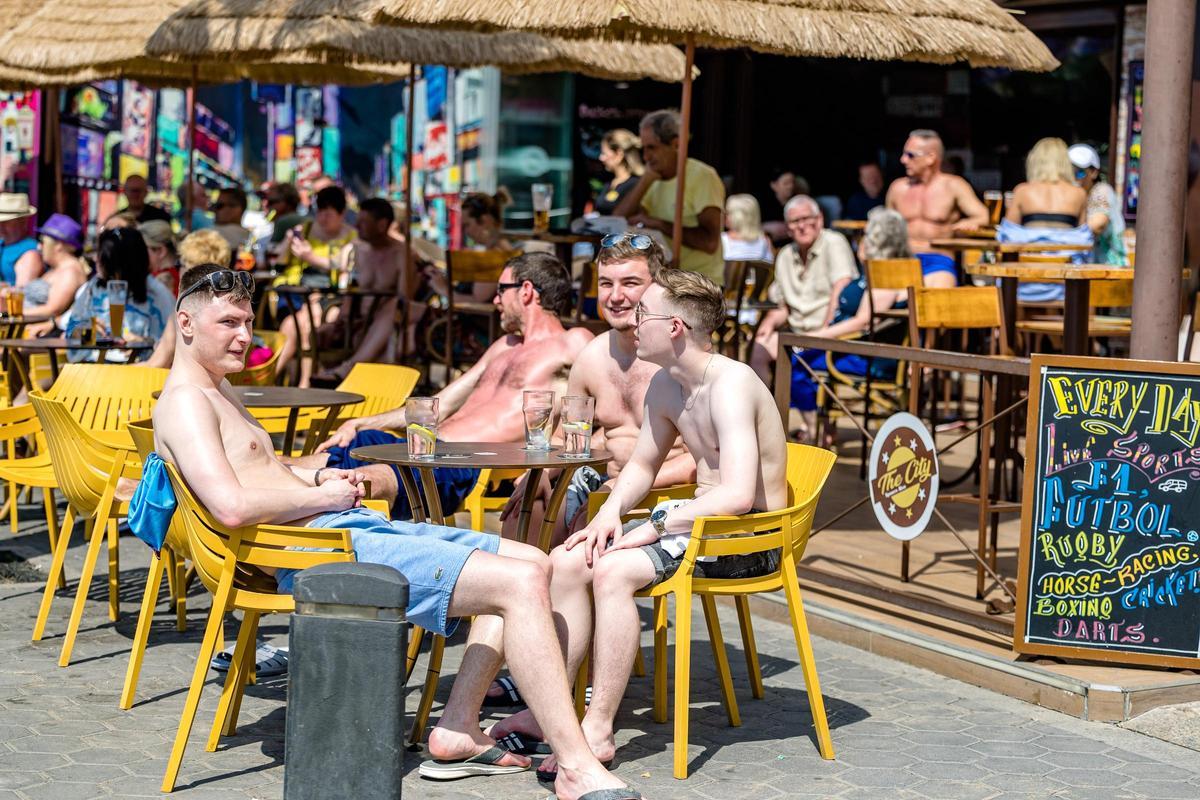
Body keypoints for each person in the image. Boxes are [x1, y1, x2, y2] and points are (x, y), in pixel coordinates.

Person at [151, 264, 635, 800]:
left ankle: (457, 727)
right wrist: (321, 496)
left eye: (247, 321)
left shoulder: (217, 390)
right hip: (313, 550)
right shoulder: (187, 402)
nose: (245, 336)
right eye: (229, 323)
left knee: (536, 561)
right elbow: (231, 506)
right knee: (518, 584)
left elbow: (256, 470)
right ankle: (574, 764)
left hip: (332, 527)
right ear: (186, 323)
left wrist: (315, 475)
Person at [492, 269, 786, 779]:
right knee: (569, 559)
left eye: (644, 312)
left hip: (746, 538)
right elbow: (643, 468)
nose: (633, 320)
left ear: (674, 327)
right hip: (698, 527)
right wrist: (608, 515)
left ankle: (598, 729)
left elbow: (738, 495)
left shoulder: (732, 383)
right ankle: (551, 713)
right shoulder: (669, 387)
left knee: (613, 572)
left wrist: (657, 521)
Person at [306, 252, 594, 518]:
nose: (495, 301)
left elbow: (595, 417)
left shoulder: (573, 341)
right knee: (303, 465)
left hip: (462, 464)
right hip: (422, 447)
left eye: (501, 291)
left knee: (356, 482)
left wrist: (544, 468)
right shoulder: (503, 346)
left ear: (527, 290)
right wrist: (363, 423)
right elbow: (439, 405)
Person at [497, 234, 696, 546]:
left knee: (586, 525)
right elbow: (565, 438)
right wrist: (539, 474)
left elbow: (701, 462)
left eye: (630, 283)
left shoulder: (681, 360)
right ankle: (525, 590)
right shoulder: (592, 357)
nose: (615, 296)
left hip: (668, 494)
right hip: (604, 484)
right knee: (524, 509)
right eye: (606, 284)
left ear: (658, 287)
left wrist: (622, 488)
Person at [785, 207, 955, 440]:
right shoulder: (885, 267)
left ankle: (816, 430)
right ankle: (821, 427)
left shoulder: (888, 275)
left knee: (797, 361)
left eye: (867, 232)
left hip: (868, 355)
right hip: (858, 348)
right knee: (800, 358)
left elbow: (863, 322)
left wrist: (816, 337)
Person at [279, 198, 408, 385]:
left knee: (393, 305)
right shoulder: (356, 249)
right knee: (292, 324)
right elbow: (339, 272)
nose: (357, 225)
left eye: (364, 222)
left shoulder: (401, 253)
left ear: (382, 225)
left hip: (380, 319)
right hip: (348, 311)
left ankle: (314, 381)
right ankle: (268, 375)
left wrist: (310, 256)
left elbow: (406, 296)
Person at [750, 196, 857, 387]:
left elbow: (841, 291)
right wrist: (769, 323)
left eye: (807, 218)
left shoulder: (833, 243)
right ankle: (763, 411)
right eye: (795, 221)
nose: (802, 226)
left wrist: (824, 330)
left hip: (831, 335)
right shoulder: (785, 255)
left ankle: (802, 411)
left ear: (820, 220)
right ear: (788, 227)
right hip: (796, 336)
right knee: (758, 348)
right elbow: (784, 307)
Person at [613, 109, 724, 284]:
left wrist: (657, 223)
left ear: (676, 144)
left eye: (652, 148)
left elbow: (709, 243)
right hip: (662, 282)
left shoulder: (702, 176)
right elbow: (616, 222)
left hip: (699, 285)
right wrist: (644, 182)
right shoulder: (653, 179)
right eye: (643, 149)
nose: (646, 157)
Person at [1001, 138, 1092, 303]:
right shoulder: (1078, 194)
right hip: (1065, 287)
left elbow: (1007, 238)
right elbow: (1084, 241)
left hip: (1024, 285)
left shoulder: (1023, 191)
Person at [65, 227, 174, 363]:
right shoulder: (95, 287)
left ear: (125, 265)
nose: (95, 259)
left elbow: (171, 349)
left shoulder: (158, 296)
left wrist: (144, 344)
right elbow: (71, 334)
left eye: (102, 257)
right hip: (93, 369)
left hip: (138, 374)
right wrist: (86, 331)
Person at [886, 129, 989, 263]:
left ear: (931, 158)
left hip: (938, 259)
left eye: (910, 155)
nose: (903, 160)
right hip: (901, 257)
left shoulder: (953, 185)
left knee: (937, 284)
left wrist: (970, 223)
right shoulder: (897, 188)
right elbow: (885, 225)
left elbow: (984, 216)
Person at [142, 230, 233, 369]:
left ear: (190, 271)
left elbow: (157, 363)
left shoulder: (186, 311)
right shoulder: (235, 308)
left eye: (180, 264)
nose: (178, 270)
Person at [14, 214, 88, 337]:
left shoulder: (70, 272)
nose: (39, 246)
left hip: (40, 334)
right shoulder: (57, 269)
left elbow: (53, 310)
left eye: (42, 241)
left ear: (59, 244)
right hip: (25, 330)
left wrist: (14, 313)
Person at [277, 185, 356, 288]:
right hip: (293, 287)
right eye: (319, 212)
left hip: (329, 291)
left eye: (328, 215)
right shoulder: (304, 230)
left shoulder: (352, 236)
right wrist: (287, 243)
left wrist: (310, 257)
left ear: (342, 213)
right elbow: (279, 263)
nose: (322, 219)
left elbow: (342, 264)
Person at [1069, 143, 1128, 266]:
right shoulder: (1071, 195)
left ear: (1093, 173)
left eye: (1079, 173)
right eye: (1068, 172)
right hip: (1083, 267)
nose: (1073, 178)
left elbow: (1098, 224)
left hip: (1109, 268)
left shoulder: (1101, 190)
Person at [593, 129, 643, 216]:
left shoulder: (636, 184)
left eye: (604, 153)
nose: (601, 158)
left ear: (619, 154)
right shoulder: (609, 183)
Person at [0, 192, 43, 287]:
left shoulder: (30, 253)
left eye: (6, 222)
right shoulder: (2, 243)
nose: (1, 226)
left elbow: (20, 293)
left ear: (23, 222)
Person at [721, 194, 773, 263]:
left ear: (739, 216)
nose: (723, 216)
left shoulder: (722, 240)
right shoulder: (764, 240)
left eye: (728, 213)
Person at [140, 220, 181, 295]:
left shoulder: (158, 281)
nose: (139, 254)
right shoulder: (182, 273)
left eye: (142, 249)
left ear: (161, 251)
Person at [212, 186, 250, 254]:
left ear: (237, 208)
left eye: (219, 205)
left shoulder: (219, 233)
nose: (214, 209)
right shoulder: (249, 236)